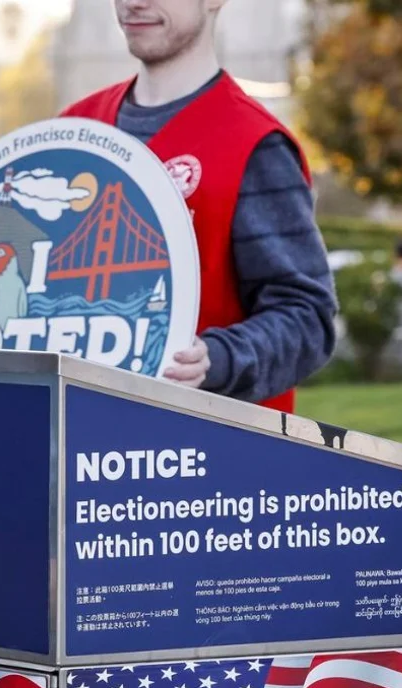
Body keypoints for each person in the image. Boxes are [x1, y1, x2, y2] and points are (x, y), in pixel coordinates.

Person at [58, 0, 337, 412]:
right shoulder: (70, 132)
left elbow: (308, 318)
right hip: (81, 446)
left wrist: (218, 359)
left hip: (204, 459)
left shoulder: (254, 144)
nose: (134, 3)